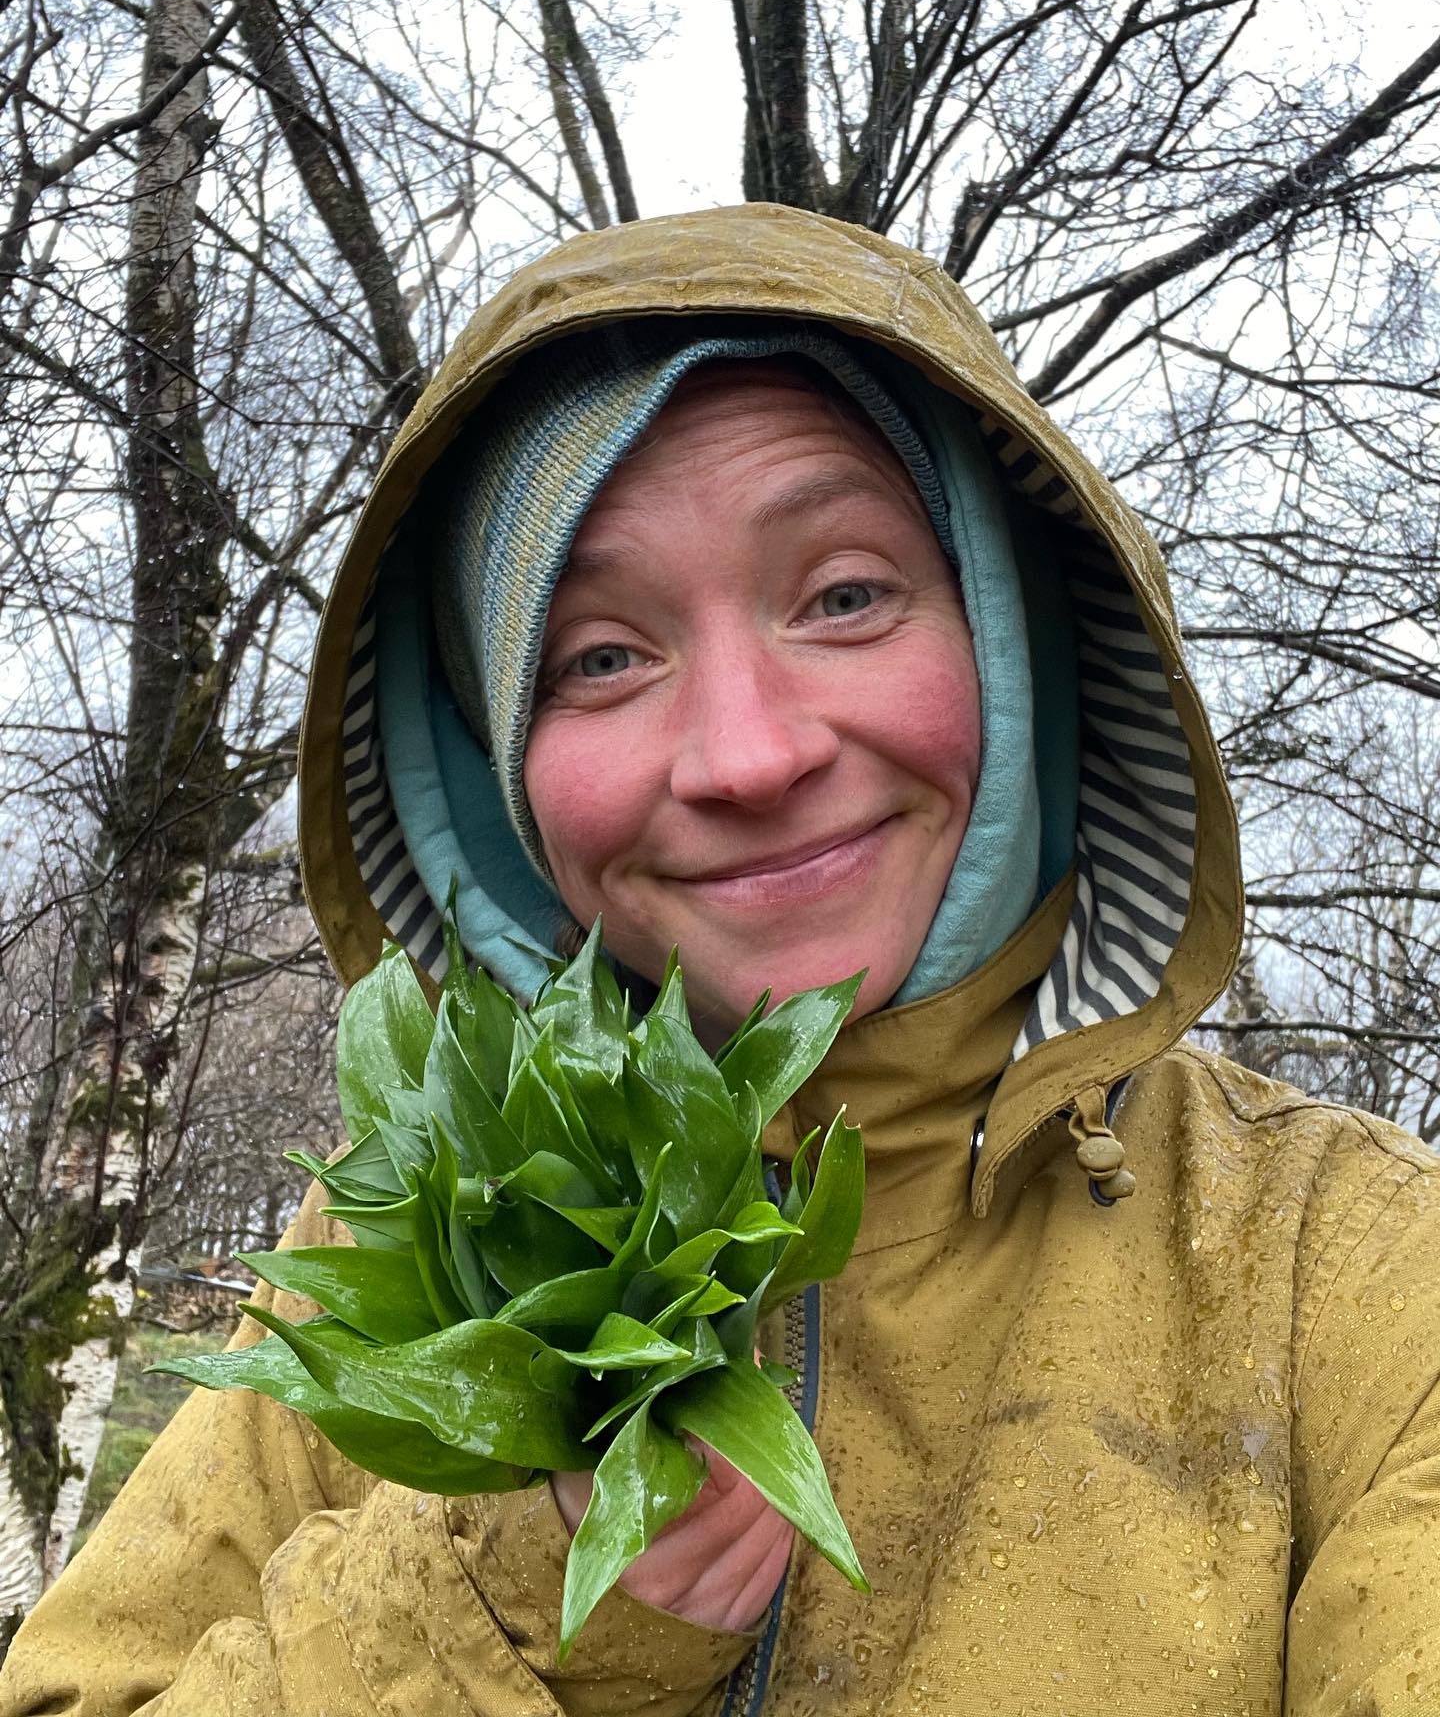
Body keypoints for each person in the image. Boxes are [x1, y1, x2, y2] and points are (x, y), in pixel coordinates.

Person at [4, 203, 1438, 1715]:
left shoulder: (1343, 1269)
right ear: (495, 779)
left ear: (1015, 644)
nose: (748, 757)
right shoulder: (405, 1240)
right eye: (603, 656)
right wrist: (508, 1612)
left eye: (844, 594)